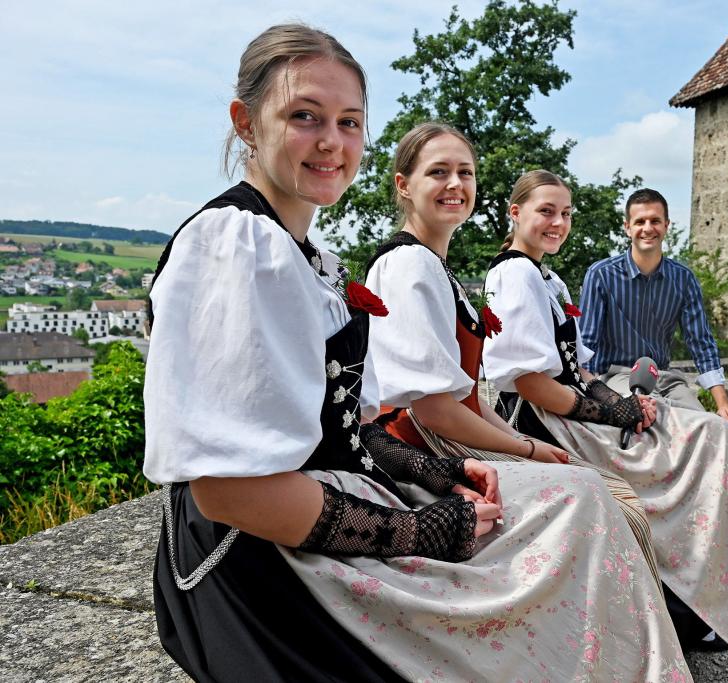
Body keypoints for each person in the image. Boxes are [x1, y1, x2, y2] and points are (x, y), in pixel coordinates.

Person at [144, 31, 691, 680]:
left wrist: (438, 472)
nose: (331, 141)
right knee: (572, 518)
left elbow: (348, 429)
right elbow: (229, 491)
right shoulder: (233, 244)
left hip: (320, 499)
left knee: (578, 505)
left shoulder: (309, 259)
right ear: (245, 122)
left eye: (349, 122)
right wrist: (418, 530)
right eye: (304, 116)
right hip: (260, 557)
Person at [364, 123, 690, 679]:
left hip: (451, 427)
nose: (455, 184)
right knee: (596, 491)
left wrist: (523, 442)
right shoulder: (409, 265)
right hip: (421, 447)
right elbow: (432, 409)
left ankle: (639, 630)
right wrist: (530, 448)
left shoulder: (435, 266)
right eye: (438, 172)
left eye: (465, 172)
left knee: (605, 487)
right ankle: (620, 646)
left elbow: (467, 396)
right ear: (403, 185)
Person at [482, 170, 728, 651]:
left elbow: (581, 368)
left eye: (565, 213)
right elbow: (531, 383)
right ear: (515, 213)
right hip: (542, 417)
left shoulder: (547, 276)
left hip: (574, 402)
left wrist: (621, 403)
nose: (558, 222)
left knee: (711, 433)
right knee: (693, 445)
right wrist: (612, 413)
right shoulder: (514, 273)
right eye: (546, 211)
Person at [579, 188, 728, 475]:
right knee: (659, 417)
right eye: (639, 222)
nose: (647, 228)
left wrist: (724, 403)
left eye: (655, 221)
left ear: (666, 225)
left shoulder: (683, 279)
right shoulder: (601, 275)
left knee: (705, 425)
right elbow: (586, 342)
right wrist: (586, 397)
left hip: (664, 376)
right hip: (618, 376)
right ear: (627, 227)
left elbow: (701, 343)